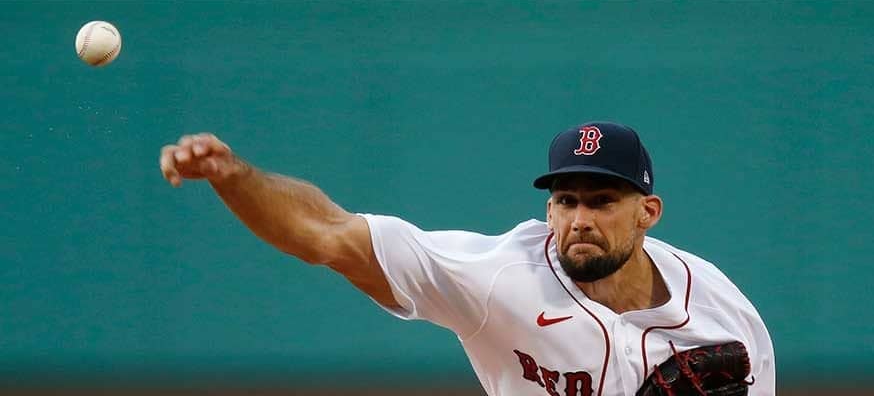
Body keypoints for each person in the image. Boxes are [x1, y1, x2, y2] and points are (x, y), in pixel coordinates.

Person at [159, 122, 775, 395]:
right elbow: (328, 234)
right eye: (566, 200)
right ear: (549, 209)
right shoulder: (500, 277)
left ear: (648, 211)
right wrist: (234, 176)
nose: (580, 219)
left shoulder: (723, 316)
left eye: (602, 201)